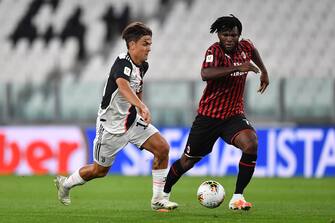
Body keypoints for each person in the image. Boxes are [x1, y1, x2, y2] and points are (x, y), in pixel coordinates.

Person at [54, 22, 178, 211]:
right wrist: (141, 105)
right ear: (132, 45)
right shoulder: (122, 62)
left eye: (150, 44)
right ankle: (66, 183)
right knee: (99, 171)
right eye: (145, 43)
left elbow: (138, 88)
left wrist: (140, 109)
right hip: (110, 127)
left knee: (162, 148)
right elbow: (123, 85)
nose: (149, 48)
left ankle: (158, 199)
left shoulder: (143, 66)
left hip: (132, 122)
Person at [163, 15, 269, 211]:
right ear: (219, 35)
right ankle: (164, 193)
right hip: (208, 117)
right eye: (225, 34)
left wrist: (264, 71)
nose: (229, 38)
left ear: (239, 35)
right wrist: (237, 67)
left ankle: (237, 197)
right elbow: (205, 74)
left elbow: (253, 50)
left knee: (251, 144)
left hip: (233, 115)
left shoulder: (246, 47)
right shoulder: (214, 51)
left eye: (233, 35)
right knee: (187, 162)